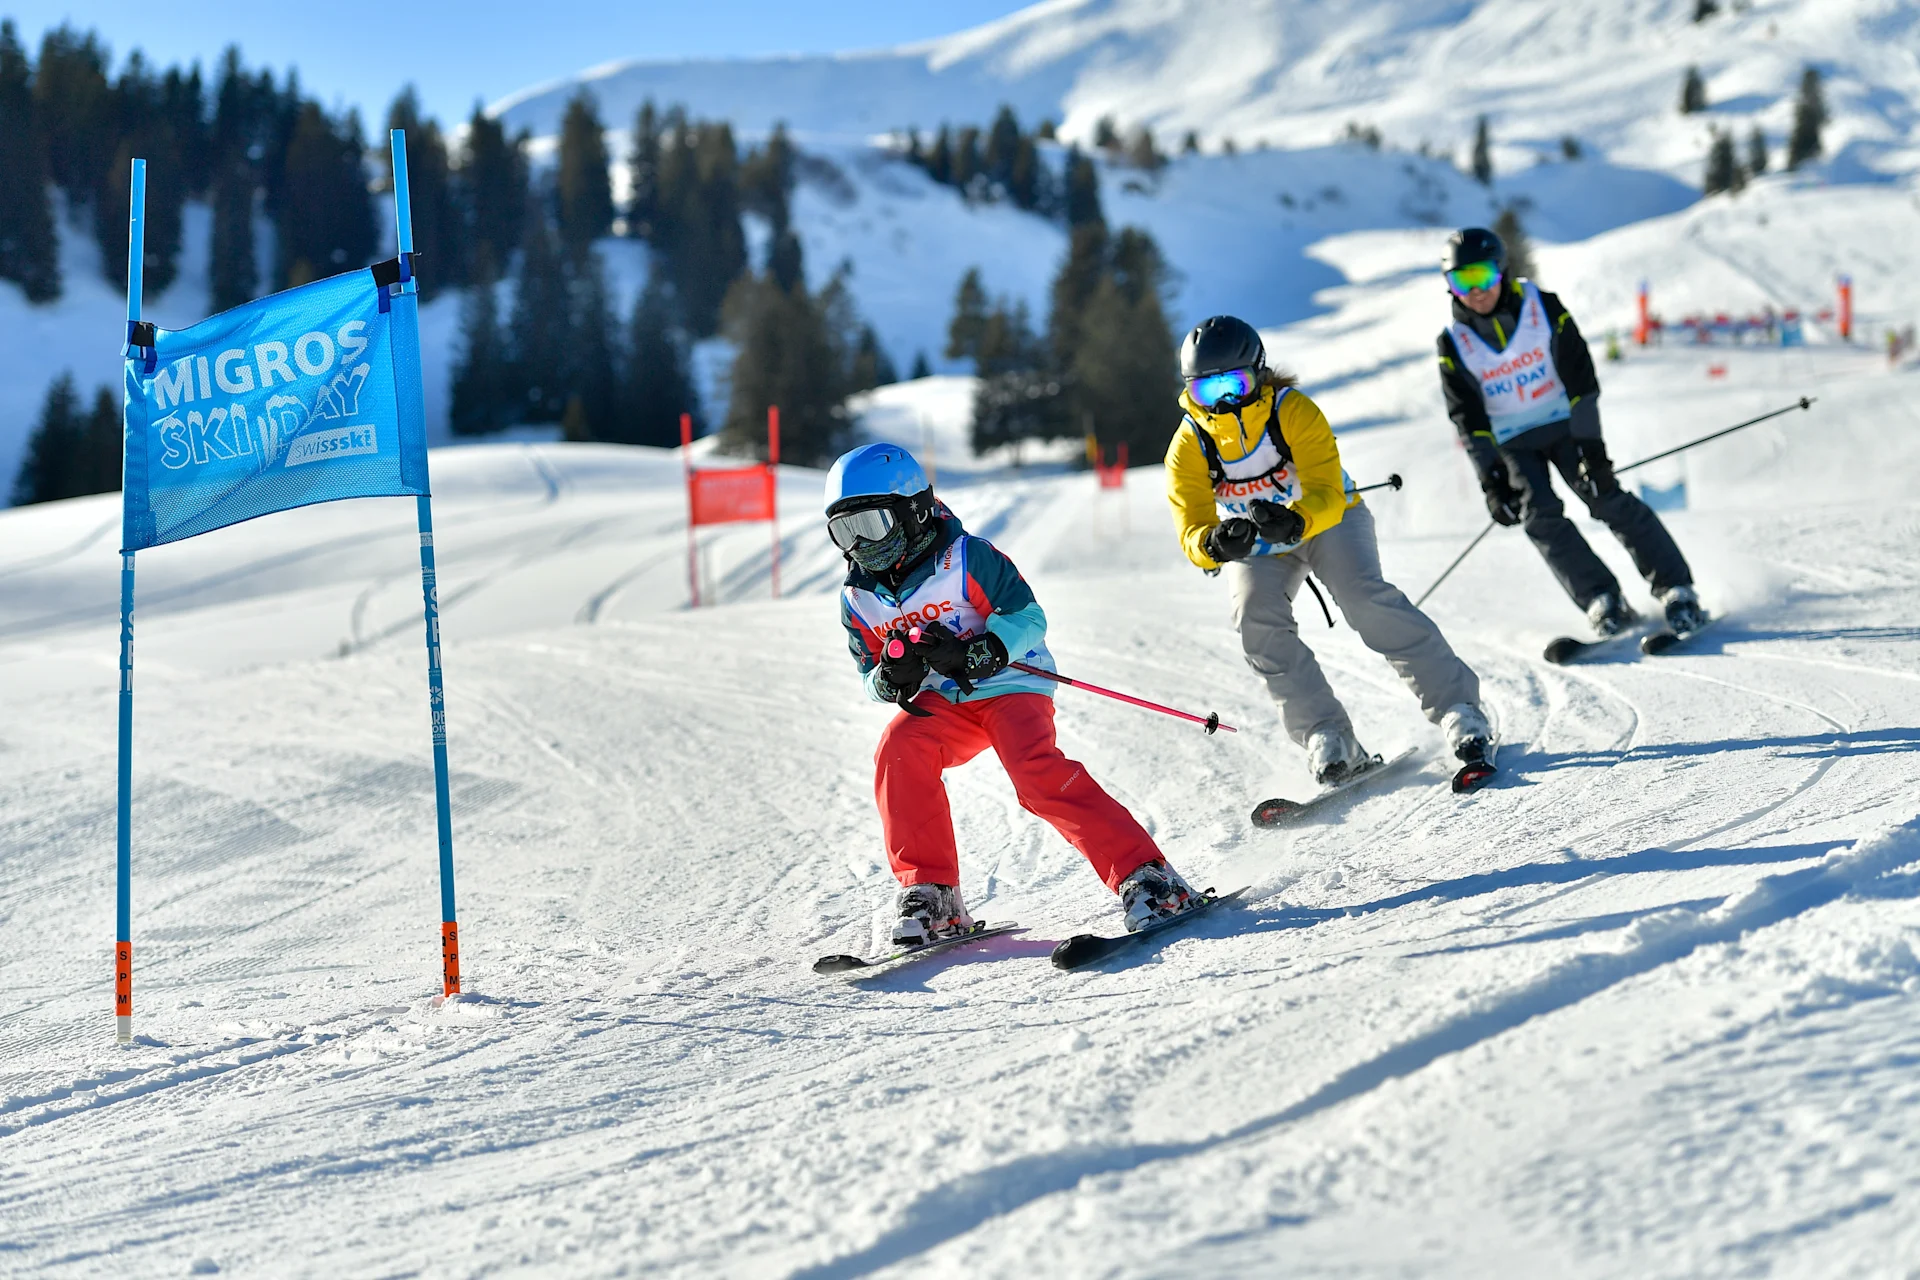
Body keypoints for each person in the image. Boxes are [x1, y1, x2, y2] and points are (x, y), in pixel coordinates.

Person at [827, 442, 1197, 943]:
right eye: (843, 531)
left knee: (1033, 771)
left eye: (871, 525)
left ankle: (1147, 875)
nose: (859, 544)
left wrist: (984, 650)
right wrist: (892, 678)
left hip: (1010, 685)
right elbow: (870, 671)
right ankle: (932, 893)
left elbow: (1029, 617)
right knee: (899, 748)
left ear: (913, 511)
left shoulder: (966, 558)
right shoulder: (859, 597)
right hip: (944, 701)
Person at [1165, 315, 1494, 785]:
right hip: (1259, 545)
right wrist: (1215, 543)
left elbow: (1326, 491)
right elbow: (1192, 530)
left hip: (1329, 521)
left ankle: (1459, 707)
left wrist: (1297, 520)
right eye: (1206, 390)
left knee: (1364, 599)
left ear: (1258, 373)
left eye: (1234, 385)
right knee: (1255, 621)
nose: (1223, 401)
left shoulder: (1293, 412)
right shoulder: (1189, 444)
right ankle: (1327, 733)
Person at [1436, 227, 1707, 638]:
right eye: (1462, 281)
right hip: (1512, 442)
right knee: (1538, 515)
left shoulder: (1541, 307)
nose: (1475, 292)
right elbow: (1468, 420)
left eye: (1483, 276)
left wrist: (1592, 450)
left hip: (1566, 425)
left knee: (1604, 495)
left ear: (1501, 270)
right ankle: (1603, 599)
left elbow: (1581, 382)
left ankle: (1676, 588)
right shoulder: (1454, 343)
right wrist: (1491, 480)